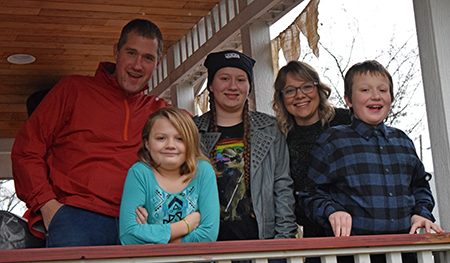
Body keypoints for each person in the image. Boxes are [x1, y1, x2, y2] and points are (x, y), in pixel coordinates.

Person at [11, 19, 172, 247]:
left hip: (141, 223)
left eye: (148, 58)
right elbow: (26, 150)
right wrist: (47, 205)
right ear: (116, 52)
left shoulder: (162, 111)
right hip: (78, 217)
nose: (138, 65)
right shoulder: (73, 90)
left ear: (158, 62)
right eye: (131, 53)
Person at [299, 60, 444, 263]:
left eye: (383, 90)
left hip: (402, 254)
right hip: (350, 255)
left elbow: (419, 186)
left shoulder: (402, 141)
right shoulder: (333, 141)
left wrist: (421, 213)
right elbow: (309, 193)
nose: (375, 96)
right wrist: (333, 211)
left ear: (390, 97)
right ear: (348, 99)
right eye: (365, 90)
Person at [193, 50, 297, 242]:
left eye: (241, 80)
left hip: (260, 243)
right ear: (211, 86)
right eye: (224, 78)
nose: (233, 86)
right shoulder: (192, 131)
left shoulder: (270, 129)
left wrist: (284, 240)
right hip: (207, 245)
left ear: (249, 87)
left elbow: (282, 187)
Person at [272, 61, 351, 239]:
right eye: (290, 90)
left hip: (358, 228)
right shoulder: (281, 139)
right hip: (315, 234)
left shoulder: (346, 122)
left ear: (318, 89)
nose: (299, 95)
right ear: (281, 97)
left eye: (306, 87)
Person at [119, 107, 219, 244]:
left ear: (191, 143)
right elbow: (129, 236)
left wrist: (152, 236)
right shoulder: (139, 173)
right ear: (147, 143)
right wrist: (185, 226)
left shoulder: (203, 171)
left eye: (180, 139)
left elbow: (208, 236)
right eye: (161, 138)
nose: (170, 145)